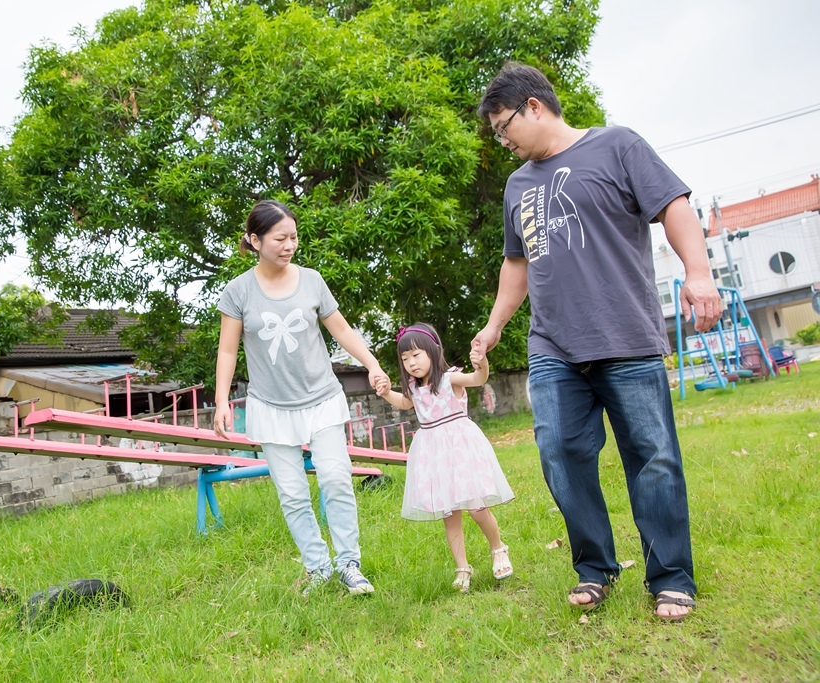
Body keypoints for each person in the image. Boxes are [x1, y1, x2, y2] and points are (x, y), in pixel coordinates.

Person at [472, 62, 722, 622]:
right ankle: (595, 567)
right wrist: (494, 325)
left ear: (534, 106)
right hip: (553, 344)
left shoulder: (618, 146)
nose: (502, 138)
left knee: (652, 458)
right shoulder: (518, 185)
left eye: (503, 126)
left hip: (625, 335)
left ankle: (671, 576)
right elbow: (517, 264)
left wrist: (698, 273)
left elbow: (673, 206)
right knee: (559, 452)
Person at [213, 199, 389, 597]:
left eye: (293, 236)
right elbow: (227, 350)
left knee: (335, 478)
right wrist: (222, 401)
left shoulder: (311, 280)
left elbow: (341, 330)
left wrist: (372, 364)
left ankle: (349, 564)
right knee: (291, 493)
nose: (289, 244)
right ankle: (318, 568)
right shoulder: (238, 291)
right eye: (280, 238)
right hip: (270, 405)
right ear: (255, 240)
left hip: (321, 397)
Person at [375, 323, 514, 592]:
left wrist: (481, 362)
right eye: (405, 359)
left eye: (416, 355)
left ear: (432, 351)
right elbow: (404, 403)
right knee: (449, 513)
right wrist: (385, 392)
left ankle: (498, 548)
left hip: (459, 448)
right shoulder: (414, 389)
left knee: (476, 506)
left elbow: (478, 379)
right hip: (433, 454)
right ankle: (462, 566)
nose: (411, 363)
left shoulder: (450, 379)